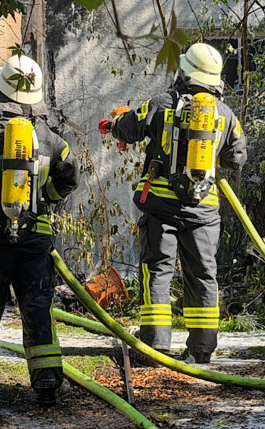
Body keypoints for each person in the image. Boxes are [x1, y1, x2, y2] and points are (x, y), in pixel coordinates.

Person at [102, 42, 246, 364]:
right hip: (204, 211)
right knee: (203, 275)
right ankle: (202, 350)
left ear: (185, 71)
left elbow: (128, 128)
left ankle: (155, 347)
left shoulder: (161, 103)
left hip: (160, 209)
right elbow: (237, 159)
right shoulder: (225, 116)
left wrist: (113, 124)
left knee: (157, 272)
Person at [0, 54, 80, 406]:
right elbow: (71, 175)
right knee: (38, 307)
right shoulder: (50, 138)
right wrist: (44, 198)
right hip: (34, 239)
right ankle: (49, 380)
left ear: (0, 90)